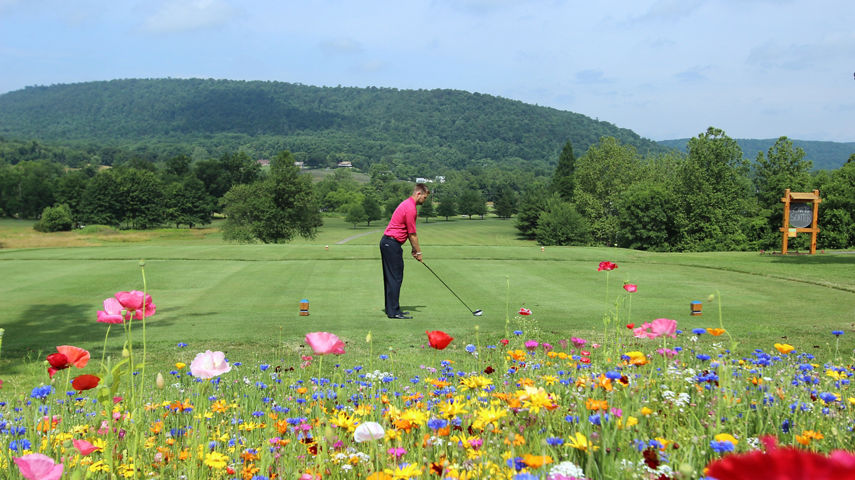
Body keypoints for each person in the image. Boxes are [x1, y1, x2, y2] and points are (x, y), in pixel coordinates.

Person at [380, 183, 429, 319]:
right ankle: (394, 312)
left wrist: (414, 250)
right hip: (391, 243)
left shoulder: (407, 204)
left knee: (393, 278)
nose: (424, 201)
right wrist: (418, 252)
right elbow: (412, 234)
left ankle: (393, 309)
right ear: (418, 193)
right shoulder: (411, 208)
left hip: (390, 243)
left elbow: (407, 232)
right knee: (395, 278)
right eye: (424, 198)